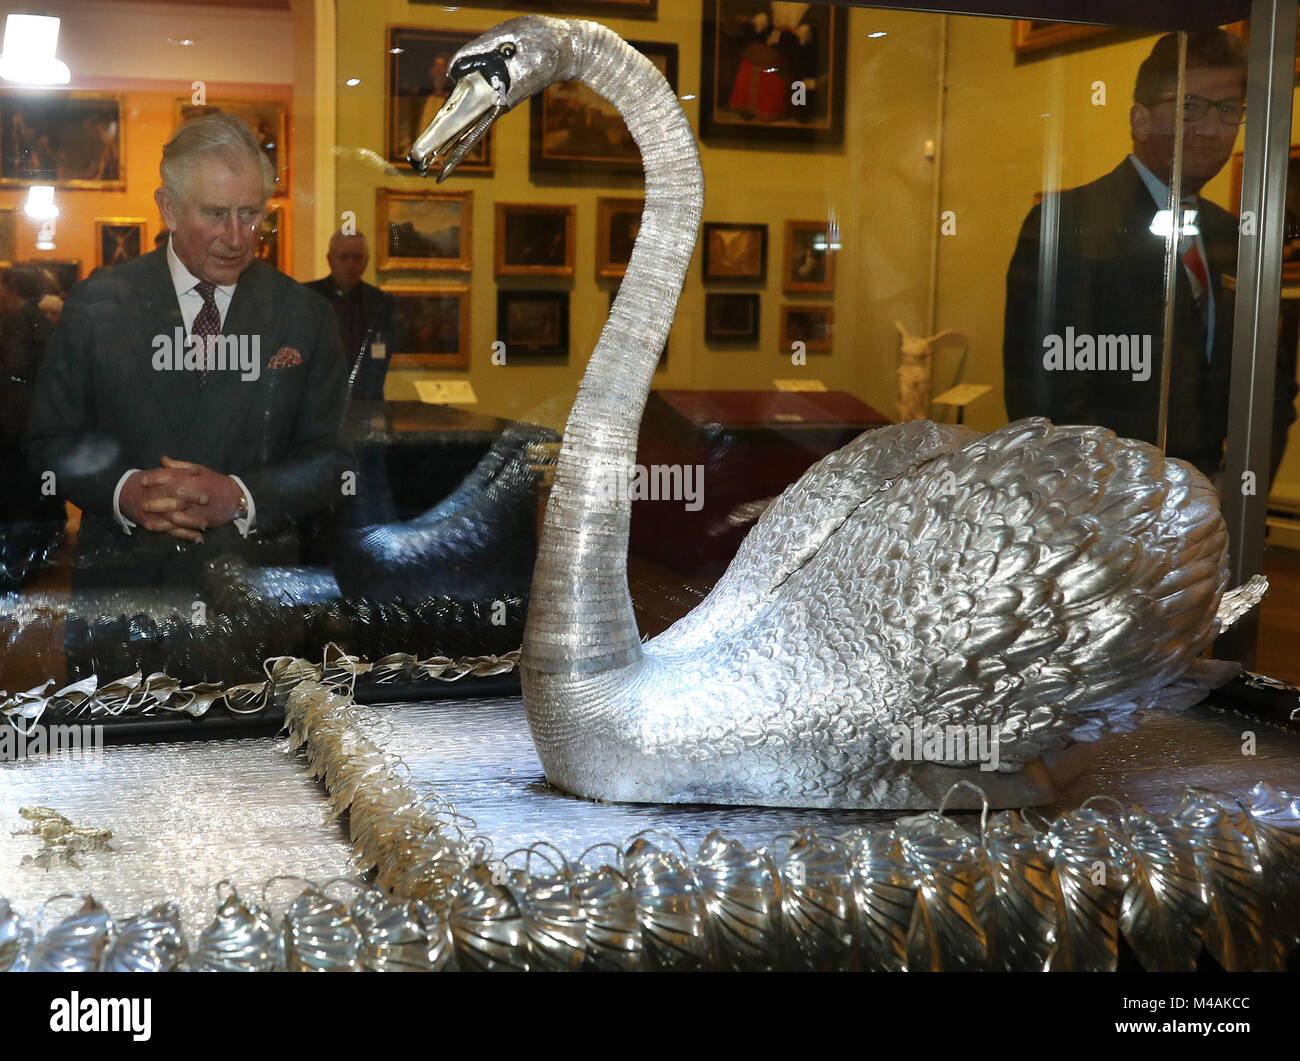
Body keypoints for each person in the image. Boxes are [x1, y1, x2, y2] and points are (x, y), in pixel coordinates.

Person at [25, 113, 350, 590]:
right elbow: (48, 444)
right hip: (125, 595)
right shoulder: (98, 305)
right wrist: (123, 492)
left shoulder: (305, 315)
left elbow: (334, 461)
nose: (238, 237)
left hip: (255, 597)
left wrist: (241, 497)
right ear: (169, 209)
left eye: (252, 213)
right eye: (216, 214)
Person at [1004, 28, 1298, 484]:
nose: (1210, 127)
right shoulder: (1068, 224)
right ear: (1140, 121)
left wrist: (1237, 491)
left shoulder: (1236, 235)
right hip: (1107, 520)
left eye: (1226, 109)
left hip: (1217, 516)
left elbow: (1272, 390)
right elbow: (1048, 408)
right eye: (1188, 106)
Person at [304, 230, 397, 401]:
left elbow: (382, 357)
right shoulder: (307, 297)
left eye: (357, 257)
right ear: (330, 260)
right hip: (318, 401)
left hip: (367, 401)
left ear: (366, 261)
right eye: (344, 257)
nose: (350, 264)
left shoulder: (381, 302)